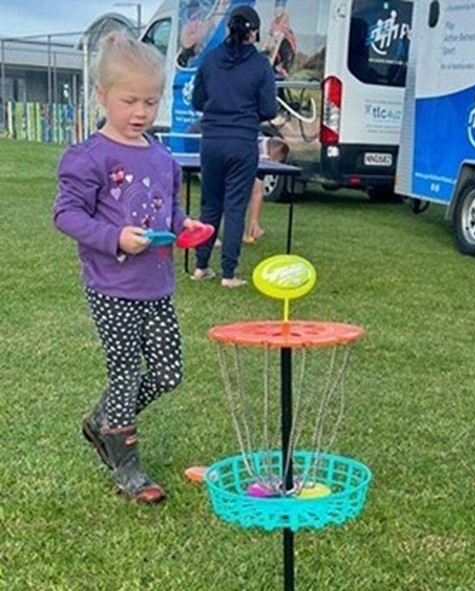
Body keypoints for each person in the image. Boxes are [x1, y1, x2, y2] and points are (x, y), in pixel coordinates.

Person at [53, 33, 198, 503]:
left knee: (168, 371)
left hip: (156, 284)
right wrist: (114, 237)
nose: (140, 111)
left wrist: (185, 224)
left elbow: (167, 209)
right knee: (124, 371)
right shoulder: (89, 156)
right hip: (112, 284)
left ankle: (103, 422)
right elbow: (66, 214)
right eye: (129, 100)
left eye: (151, 101)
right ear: (103, 95)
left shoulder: (161, 155)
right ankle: (127, 466)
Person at [191, 5, 277, 287]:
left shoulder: (211, 59)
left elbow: (197, 101)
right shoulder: (261, 65)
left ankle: (201, 267)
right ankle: (228, 274)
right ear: (254, 33)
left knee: (210, 205)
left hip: (212, 141)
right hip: (242, 143)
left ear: (229, 28)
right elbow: (268, 109)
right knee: (235, 207)